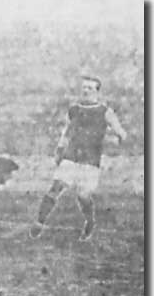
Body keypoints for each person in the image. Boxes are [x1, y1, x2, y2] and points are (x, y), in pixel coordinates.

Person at [29, 75, 127, 241]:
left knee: (83, 196)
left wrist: (118, 138)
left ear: (97, 91)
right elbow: (66, 131)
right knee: (55, 187)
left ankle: (89, 221)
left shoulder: (105, 111)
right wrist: (59, 149)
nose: (86, 90)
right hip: (71, 157)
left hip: (90, 161)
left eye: (90, 88)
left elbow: (121, 132)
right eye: (84, 87)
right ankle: (39, 223)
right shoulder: (74, 110)